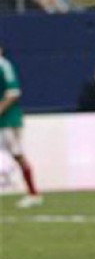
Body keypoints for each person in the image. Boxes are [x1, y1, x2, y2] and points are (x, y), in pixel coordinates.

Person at [0, 47, 43, 208]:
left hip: (8, 121)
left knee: (17, 154)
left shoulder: (4, 65)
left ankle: (33, 194)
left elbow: (13, 92)